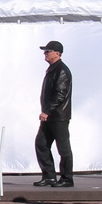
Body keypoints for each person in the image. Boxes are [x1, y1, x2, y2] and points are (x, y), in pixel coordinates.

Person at [34, 41, 74, 188]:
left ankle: (67, 178)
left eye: (48, 51)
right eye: (45, 52)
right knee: (41, 144)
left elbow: (60, 94)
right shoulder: (53, 69)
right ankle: (49, 176)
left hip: (58, 116)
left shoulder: (62, 70)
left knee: (63, 148)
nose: (45, 54)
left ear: (57, 53)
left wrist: (47, 111)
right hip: (49, 117)